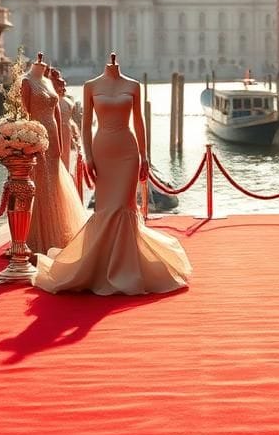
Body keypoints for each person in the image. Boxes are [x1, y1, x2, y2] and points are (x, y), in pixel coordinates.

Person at [34, 53, 191, 295]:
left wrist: (144, 156)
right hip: (103, 149)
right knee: (106, 208)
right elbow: (86, 125)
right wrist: (87, 156)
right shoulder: (91, 86)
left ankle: (126, 268)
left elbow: (139, 122)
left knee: (124, 207)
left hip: (128, 151)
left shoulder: (133, 85)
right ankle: (101, 266)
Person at [21, 54, 88, 253]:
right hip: (36, 138)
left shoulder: (49, 82)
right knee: (41, 185)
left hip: (52, 138)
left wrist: (58, 141)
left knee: (55, 183)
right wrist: (30, 141)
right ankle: (38, 237)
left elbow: (57, 113)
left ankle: (57, 230)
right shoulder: (26, 81)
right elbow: (24, 114)